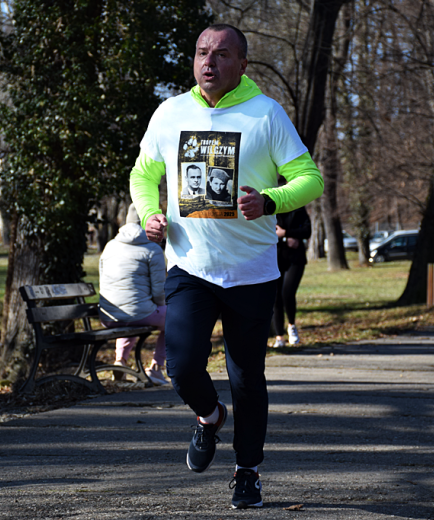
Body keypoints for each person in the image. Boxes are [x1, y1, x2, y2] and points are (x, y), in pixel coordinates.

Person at [129, 24, 323, 509]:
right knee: (183, 365)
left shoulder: (266, 114)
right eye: (201, 53)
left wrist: (271, 200)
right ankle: (210, 417)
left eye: (220, 54)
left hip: (252, 273)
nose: (208, 62)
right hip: (190, 266)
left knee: (246, 378)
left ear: (242, 64)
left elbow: (309, 177)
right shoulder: (170, 113)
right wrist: (152, 214)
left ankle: (247, 471)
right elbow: (142, 173)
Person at [98, 204, 168, 385]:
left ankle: (120, 360)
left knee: (131, 310)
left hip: (108, 315)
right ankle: (156, 368)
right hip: (138, 313)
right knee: (174, 317)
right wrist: (160, 304)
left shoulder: (110, 246)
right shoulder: (152, 249)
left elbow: (102, 281)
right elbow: (159, 292)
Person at [271, 202, 311, 348]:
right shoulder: (270, 209)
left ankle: (292, 326)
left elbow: (307, 231)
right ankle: (279, 336)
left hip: (295, 259)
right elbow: (269, 232)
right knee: (276, 297)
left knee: (287, 293)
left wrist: (287, 233)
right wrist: (284, 237)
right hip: (276, 258)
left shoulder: (298, 208)